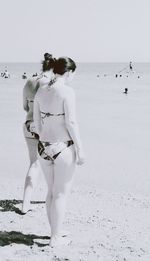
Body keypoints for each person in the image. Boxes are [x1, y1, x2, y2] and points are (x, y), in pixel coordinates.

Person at [33, 57, 85, 247]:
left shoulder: (41, 90)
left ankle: (56, 229)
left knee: (51, 192)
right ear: (69, 72)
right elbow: (71, 122)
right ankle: (55, 237)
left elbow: (37, 124)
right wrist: (80, 149)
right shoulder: (67, 92)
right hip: (62, 147)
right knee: (61, 194)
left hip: (43, 147)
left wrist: (45, 136)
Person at [22, 53, 55, 214]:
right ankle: (54, 198)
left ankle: (25, 203)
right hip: (46, 128)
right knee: (53, 163)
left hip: (28, 126)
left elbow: (25, 107)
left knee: (33, 164)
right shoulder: (50, 84)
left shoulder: (29, 81)